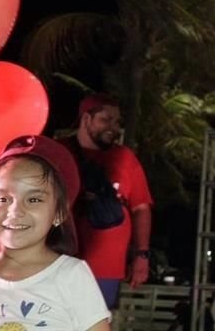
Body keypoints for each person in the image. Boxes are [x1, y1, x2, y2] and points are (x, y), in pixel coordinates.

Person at [0, 134, 111, 330]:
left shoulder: (70, 275)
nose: (15, 210)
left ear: (59, 213)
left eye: (34, 200)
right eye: (3, 199)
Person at [59, 93, 153, 310]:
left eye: (116, 121)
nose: (113, 127)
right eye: (105, 119)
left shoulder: (125, 158)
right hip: (58, 260)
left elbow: (141, 208)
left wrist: (142, 255)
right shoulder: (59, 152)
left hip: (106, 267)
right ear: (86, 119)